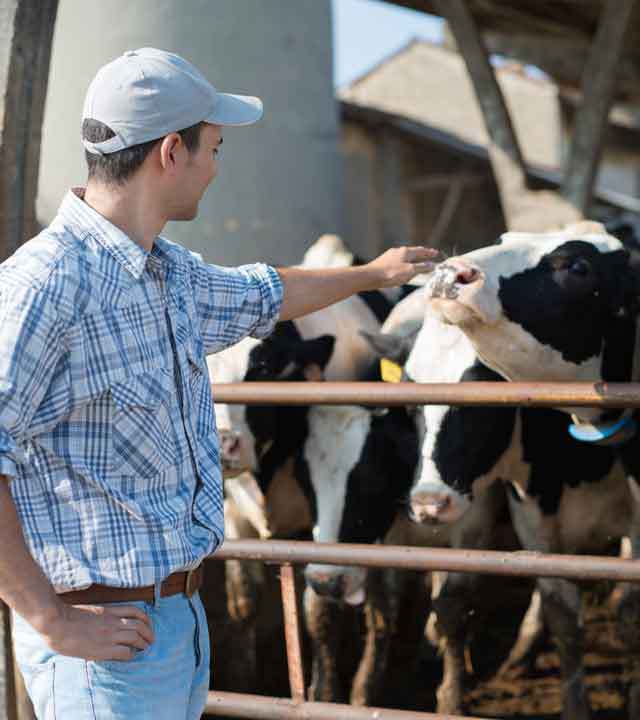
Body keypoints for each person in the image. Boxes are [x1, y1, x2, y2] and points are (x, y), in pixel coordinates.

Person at [0, 48, 437, 719]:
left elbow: (266, 293)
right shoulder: (45, 286)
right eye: (215, 147)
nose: (216, 167)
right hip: (101, 643)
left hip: (175, 621)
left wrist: (373, 274)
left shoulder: (168, 274)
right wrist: (51, 621)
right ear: (172, 151)